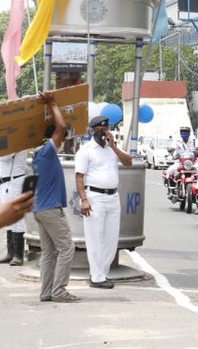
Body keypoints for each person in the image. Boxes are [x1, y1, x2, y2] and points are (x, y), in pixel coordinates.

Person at [75, 112, 133, 289]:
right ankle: (97, 277)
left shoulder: (112, 149)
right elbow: (79, 178)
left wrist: (114, 146)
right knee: (95, 238)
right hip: (95, 197)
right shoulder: (86, 150)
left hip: (112, 197)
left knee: (110, 239)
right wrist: (84, 200)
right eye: (99, 129)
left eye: (105, 129)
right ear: (92, 131)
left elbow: (128, 162)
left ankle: (103, 273)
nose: (102, 132)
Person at [32, 92, 77, 302]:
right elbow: (61, 128)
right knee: (67, 248)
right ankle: (59, 291)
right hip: (50, 209)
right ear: (53, 139)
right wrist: (52, 104)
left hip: (40, 210)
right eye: (60, 140)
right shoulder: (47, 152)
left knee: (49, 254)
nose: (62, 141)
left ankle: (46, 292)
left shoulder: (39, 154)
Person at [0, 148, 29, 265]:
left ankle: (18, 256)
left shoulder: (17, 142)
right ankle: (11, 253)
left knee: (16, 218)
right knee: (8, 217)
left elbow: (4, 156)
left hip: (13, 181)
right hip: (5, 183)